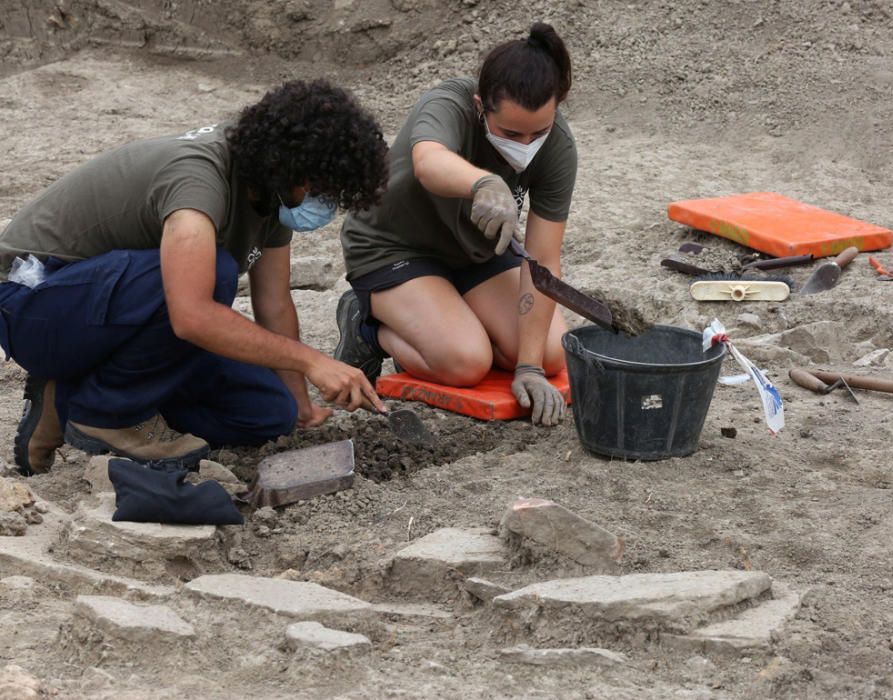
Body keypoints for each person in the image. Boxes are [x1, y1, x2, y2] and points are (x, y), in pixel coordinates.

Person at [0, 79, 389, 476]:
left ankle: (68, 397)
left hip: (107, 313)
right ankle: (105, 412)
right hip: (32, 304)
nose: (322, 200)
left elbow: (274, 303)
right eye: (317, 186)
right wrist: (312, 360)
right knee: (214, 275)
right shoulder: (198, 181)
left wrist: (301, 404)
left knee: (270, 414)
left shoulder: (270, 190)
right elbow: (192, 316)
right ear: (286, 165)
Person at [336, 22, 576, 427]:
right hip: (394, 247)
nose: (525, 145)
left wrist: (530, 367)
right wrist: (484, 183)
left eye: (538, 132)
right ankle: (366, 327)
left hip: (475, 253)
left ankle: (444, 322)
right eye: (510, 133)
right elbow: (428, 162)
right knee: (466, 362)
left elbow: (543, 261)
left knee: (550, 353)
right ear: (481, 106)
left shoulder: (558, 148)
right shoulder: (449, 102)